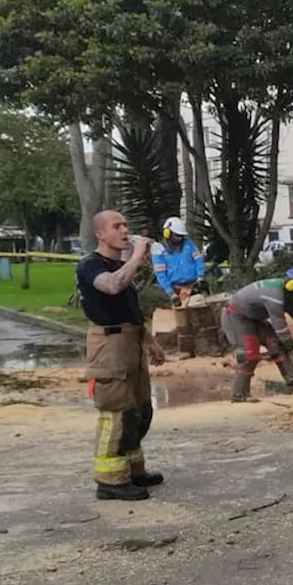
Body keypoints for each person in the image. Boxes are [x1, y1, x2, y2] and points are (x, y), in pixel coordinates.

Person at [75, 211, 167, 501]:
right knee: (115, 411)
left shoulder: (118, 264)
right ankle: (110, 481)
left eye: (126, 224)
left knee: (139, 409)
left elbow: (130, 308)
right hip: (109, 345)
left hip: (131, 340)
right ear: (100, 234)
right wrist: (137, 255)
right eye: (117, 226)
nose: (125, 230)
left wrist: (150, 341)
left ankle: (133, 470)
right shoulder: (91, 266)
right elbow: (113, 286)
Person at [221, 267, 293, 402]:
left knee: (276, 344)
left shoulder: (286, 293)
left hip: (252, 317)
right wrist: (291, 345)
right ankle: (239, 394)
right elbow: (280, 324)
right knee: (249, 354)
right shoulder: (275, 296)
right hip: (235, 316)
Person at [151, 217, 206, 306]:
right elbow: (160, 274)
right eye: (177, 235)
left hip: (194, 286)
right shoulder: (158, 250)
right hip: (176, 289)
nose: (180, 238)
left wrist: (200, 277)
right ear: (168, 233)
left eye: (181, 236)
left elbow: (199, 260)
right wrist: (171, 292)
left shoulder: (189, 244)